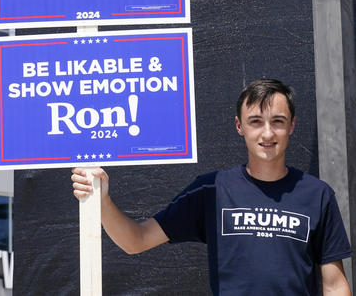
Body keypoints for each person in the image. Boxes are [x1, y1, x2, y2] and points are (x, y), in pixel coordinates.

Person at [72, 79, 352, 295]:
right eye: (255, 122)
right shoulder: (212, 190)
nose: (267, 133)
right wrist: (102, 201)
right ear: (239, 126)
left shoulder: (317, 195)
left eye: (277, 122)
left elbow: (335, 285)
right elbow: (136, 241)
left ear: (291, 126)